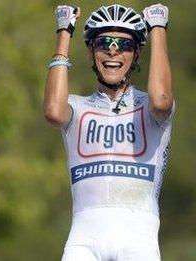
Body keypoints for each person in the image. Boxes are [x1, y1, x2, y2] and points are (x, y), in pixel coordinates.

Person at [44, 3, 174, 261]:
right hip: (83, 239)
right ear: (91, 53)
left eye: (124, 44)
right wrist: (64, 33)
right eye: (104, 43)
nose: (113, 51)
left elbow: (161, 99)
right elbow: (53, 112)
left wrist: (158, 28)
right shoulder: (78, 107)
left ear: (136, 55)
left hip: (138, 238)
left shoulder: (149, 108)